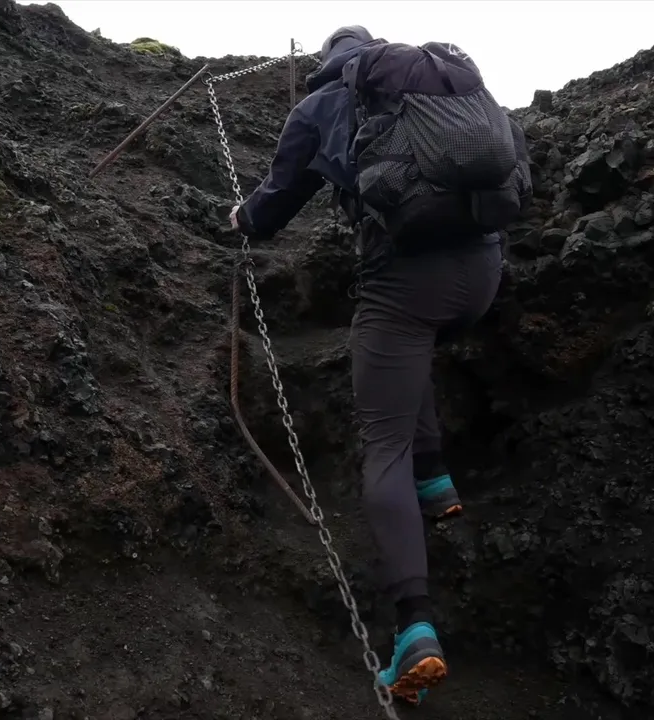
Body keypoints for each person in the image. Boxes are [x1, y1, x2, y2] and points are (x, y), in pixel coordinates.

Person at [228, 25, 532, 704]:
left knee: (382, 441)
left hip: (406, 283)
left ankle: (413, 628)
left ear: (328, 63)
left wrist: (241, 219)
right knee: (409, 358)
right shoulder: (438, 91)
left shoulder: (318, 106)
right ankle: (437, 482)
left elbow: (276, 202)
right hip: (484, 271)